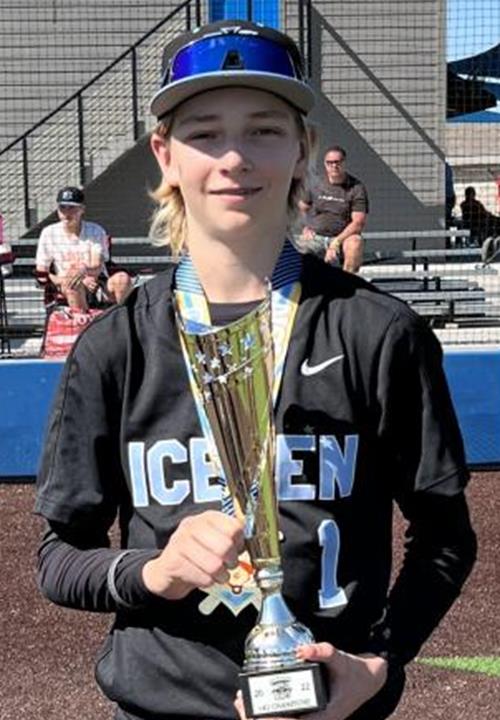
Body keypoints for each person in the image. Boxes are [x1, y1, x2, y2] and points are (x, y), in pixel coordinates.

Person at [35, 19, 476, 720]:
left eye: (265, 131)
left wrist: (378, 662)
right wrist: (153, 571)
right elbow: (60, 555)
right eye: (205, 133)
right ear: (165, 155)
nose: (234, 157)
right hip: (159, 705)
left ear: (303, 150)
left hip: (329, 706)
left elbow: (446, 537)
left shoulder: (379, 333)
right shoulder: (116, 346)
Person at [35, 186, 132, 311]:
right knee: (73, 283)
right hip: (66, 283)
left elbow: (97, 265)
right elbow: (42, 272)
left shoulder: (95, 230)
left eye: (72, 207)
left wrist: (84, 272)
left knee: (122, 279)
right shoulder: (49, 233)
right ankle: (82, 319)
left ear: (82, 209)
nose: (66, 212)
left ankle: (123, 317)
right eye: (62, 207)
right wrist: (68, 280)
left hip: (97, 281)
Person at [299, 145, 368, 273]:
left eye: (337, 162)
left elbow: (358, 223)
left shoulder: (356, 188)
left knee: (355, 242)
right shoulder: (315, 184)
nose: (334, 166)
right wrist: (306, 226)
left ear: (344, 163)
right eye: (329, 162)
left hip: (342, 238)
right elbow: (301, 208)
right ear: (325, 164)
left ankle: (347, 281)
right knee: (295, 250)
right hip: (316, 237)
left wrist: (336, 242)